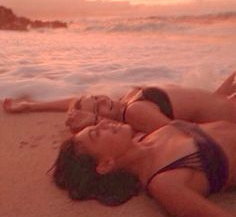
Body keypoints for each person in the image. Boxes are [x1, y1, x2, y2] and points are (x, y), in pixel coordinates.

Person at [51, 119, 236, 217]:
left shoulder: (148, 137)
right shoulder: (164, 184)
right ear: (106, 164)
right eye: (97, 133)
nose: (103, 123)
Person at [3, 71, 236, 133]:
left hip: (222, 98)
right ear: (101, 121)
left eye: (97, 98)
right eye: (98, 108)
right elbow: (181, 133)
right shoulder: (134, 113)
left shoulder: (126, 100)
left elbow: (75, 100)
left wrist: (31, 106)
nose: (104, 101)